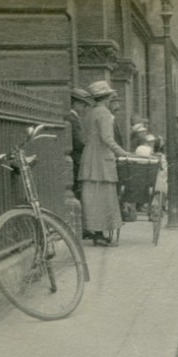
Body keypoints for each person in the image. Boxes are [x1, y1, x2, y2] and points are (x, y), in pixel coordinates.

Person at [80, 81, 131, 247]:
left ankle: (96, 231)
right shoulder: (105, 114)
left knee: (92, 195)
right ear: (107, 97)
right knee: (104, 197)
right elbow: (107, 138)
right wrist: (123, 152)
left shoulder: (90, 112)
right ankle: (100, 233)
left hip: (90, 156)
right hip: (102, 158)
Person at [66, 88, 92, 203]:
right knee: (77, 188)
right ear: (76, 104)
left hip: (76, 158)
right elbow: (78, 141)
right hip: (76, 159)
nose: (85, 109)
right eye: (83, 105)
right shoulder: (73, 118)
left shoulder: (74, 118)